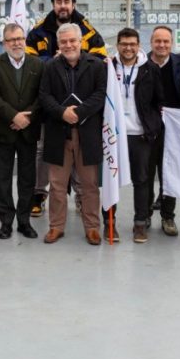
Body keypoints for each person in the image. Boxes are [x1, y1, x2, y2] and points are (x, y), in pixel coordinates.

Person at [25, 0, 107, 218]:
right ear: (53, 5)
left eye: (67, 1)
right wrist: (52, 61)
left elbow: (101, 57)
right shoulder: (39, 30)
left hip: (82, 105)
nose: (63, 5)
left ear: (73, 4)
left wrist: (80, 59)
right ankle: (39, 194)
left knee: (81, 151)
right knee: (43, 150)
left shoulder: (87, 29)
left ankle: (81, 197)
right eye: (59, 1)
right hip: (50, 102)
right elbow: (29, 60)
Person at [38, 23, 107, 245]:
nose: (68, 45)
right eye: (64, 42)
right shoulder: (50, 67)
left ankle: (92, 227)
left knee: (89, 184)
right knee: (57, 184)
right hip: (59, 132)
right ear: (58, 44)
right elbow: (44, 96)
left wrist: (78, 113)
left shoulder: (96, 65)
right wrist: (62, 113)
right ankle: (56, 226)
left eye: (72, 41)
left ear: (80, 42)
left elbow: (100, 94)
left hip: (87, 133)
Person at [0, 23, 44, 240]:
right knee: (3, 178)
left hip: (28, 131)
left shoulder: (38, 65)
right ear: (4, 43)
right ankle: (6, 222)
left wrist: (26, 117)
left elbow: (42, 96)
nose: (16, 43)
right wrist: (14, 116)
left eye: (20, 38)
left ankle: (24, 221)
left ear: (25, 39)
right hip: (4, 131)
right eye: (11, 40)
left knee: (27, 178)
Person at [111, 28, 163, 244]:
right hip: (113, 135)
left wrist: (151, 128)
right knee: (110, 181)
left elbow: (158, 102)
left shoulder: (150, 69)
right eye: (124, 44)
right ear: (117, 45)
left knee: (141, 180)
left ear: (139, 45)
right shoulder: (107, 67)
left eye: (132, 44)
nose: (128, 48)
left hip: (139, 135)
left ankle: (140, 223)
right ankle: (109, 223)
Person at [146, 25, 180, 237]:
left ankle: (168, 217)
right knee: (145, 175)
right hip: (146, 129)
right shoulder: (140, 63)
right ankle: (143, 216)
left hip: (173, 130)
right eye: (158, 41)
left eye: (166, 41)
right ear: (151, 42)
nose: (162, 45)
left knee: (169, 175)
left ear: (171, 43)